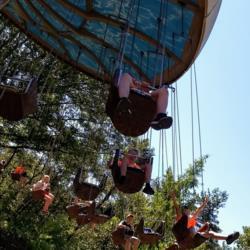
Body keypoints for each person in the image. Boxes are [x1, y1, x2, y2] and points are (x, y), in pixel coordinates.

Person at [171, 193, 240, 247]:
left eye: (188, 210)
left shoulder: (191, 218)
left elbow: (198, 211)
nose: (187, 212)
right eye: (185, 210)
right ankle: (191, 235)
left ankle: (228, 238)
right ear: (184, 211)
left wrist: (204, 203)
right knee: (188, 219)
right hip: (184, 240)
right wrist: (174, 199)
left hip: (194, 240)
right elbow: (177, 211)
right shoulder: (182, 219)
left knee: (210, 233)